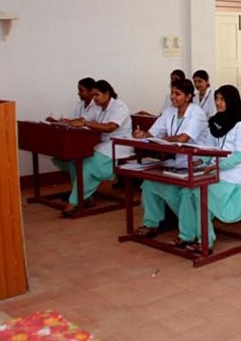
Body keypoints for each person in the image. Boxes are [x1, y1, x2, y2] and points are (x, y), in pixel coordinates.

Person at [178, 85, 241, 252]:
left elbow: (239, 156)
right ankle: (187, 235)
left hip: (233, 173)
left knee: (199, 192)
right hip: (214, 169)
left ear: (231, 101)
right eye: (216, 99)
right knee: (186, 191)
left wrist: (215, 166)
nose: (218, 103)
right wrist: (199, 162)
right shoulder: (215, 122)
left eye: (222, 99)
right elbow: (209, 149)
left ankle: (205, 241)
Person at [133, 79, 208, 238]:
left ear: (188, 96)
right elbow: (153, 134)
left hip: (195, 162)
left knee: (177, 190)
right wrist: (142, 135)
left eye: (177, 94)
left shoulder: (197, 113)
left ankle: (189, 223)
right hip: (174, 161)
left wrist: (166, 139)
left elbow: (182, 139)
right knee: (149, 183)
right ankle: (151, 223)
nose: (173, 97)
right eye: (172, 93)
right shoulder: (170, 111)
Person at [57, 80, 133, 217]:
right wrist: (65, 122)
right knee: (75, 161)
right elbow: (83, 119)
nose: (94, 98)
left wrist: (85, 123)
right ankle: (84, 196)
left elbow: (110, 127)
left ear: (107, 93)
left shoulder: (120, 107)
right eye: (93, 95)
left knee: (87, 165)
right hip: (102, 143)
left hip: (119, 144)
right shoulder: (98, 106)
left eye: (97, 95)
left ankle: (74, 202)